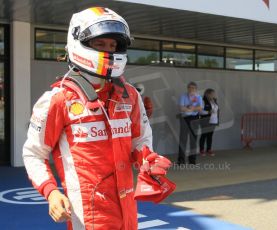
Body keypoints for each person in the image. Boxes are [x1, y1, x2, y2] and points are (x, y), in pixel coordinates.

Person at [22, 7, 174, 230]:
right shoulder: (58, 98)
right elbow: (34, 153)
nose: (108, 51)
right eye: (100, 44)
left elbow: (140, 142)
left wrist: (147, 161)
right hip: (88, 215)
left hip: (127, 211)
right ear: (78, 43)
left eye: (113, 45)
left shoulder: (129, 94)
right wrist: (51, 192)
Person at [177, 81, 203, 164]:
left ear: (196, 89)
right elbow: (181, 108)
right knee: (183, 139)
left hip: (194, 118)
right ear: (187, 88)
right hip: (184, 118)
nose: (191, 89)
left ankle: (192, 159)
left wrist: (190, 109)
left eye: (193, 88)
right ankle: (181, 159)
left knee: (193, 139)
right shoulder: (183, 96)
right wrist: (192, 108)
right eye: (190, 88)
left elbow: (200, 108)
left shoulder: (198, 97)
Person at [199, 88, 219, 156]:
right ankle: (201, 150)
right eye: (212, 94)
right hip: (205, 120)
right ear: (207, 94)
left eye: (214, 94)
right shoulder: (203, 101)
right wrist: (208, 112)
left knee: (210, 136)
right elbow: (200, 111)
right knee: (204, 135)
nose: (214, 95)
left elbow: (216, 110)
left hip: (213, 121)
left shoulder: (214, 101)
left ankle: (209, 149)